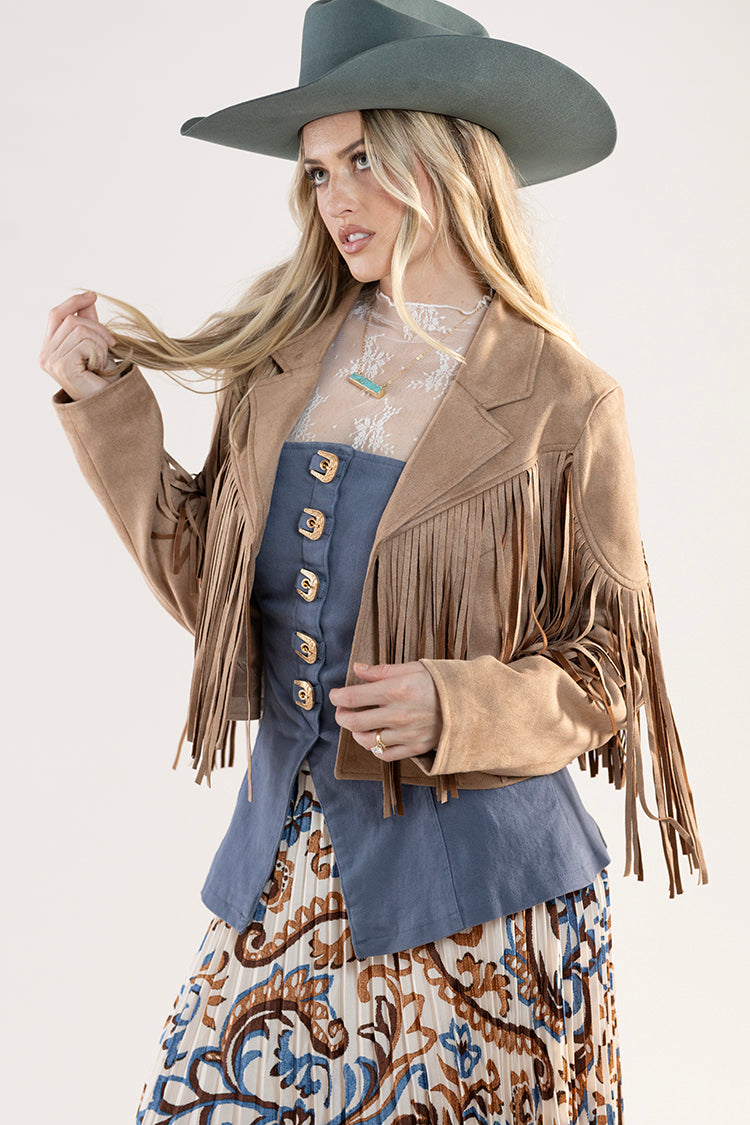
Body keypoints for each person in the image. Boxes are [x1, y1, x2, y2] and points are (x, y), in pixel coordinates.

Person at [39, 1, 707, 1120]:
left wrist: (460, 704)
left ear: (442, 158)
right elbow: (218, 598)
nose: (335, 197)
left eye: (362, 158)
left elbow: (610, 666)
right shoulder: (281, 363)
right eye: (316, 171)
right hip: (283, 873)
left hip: (489, 906)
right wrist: (107, 406)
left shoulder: (564, 398)